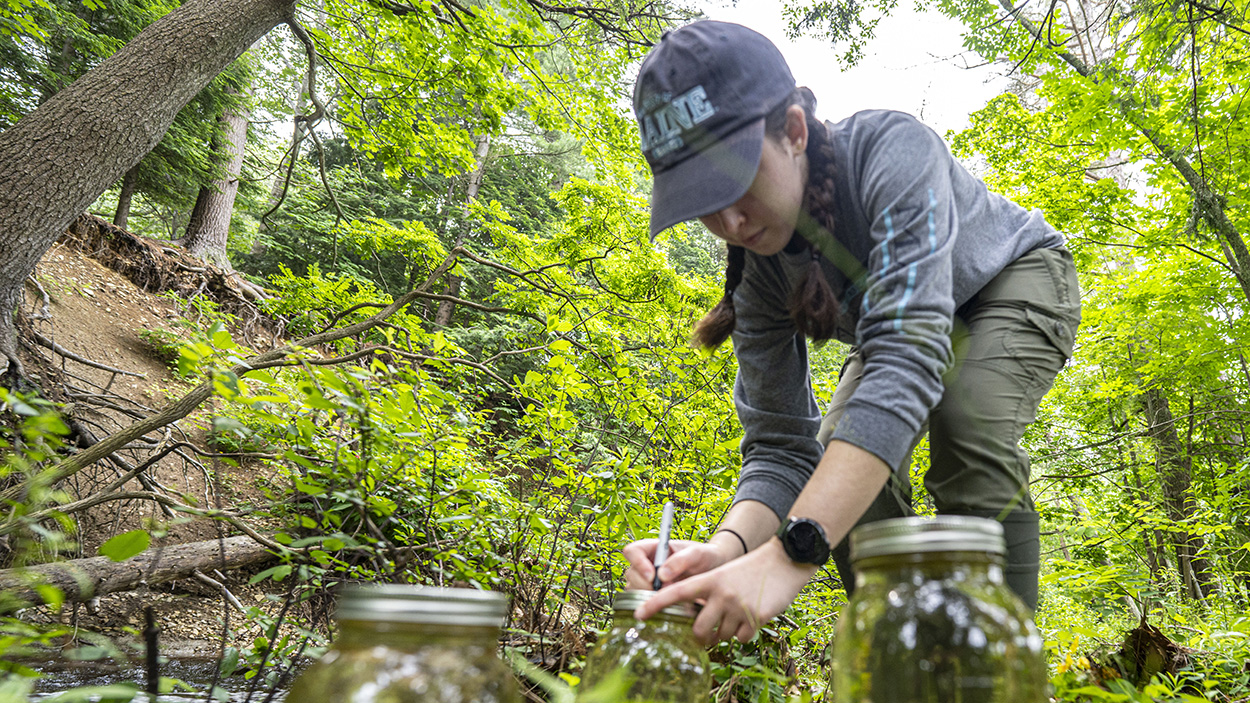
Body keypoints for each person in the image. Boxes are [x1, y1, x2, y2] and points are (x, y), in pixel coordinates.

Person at [622, 20, 1081, 645]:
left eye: (734, 183)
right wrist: (728, 550)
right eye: (701, 200)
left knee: (967, 428)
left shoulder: (891, 149)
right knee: (842, 447)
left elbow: (908, 356)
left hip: (1006, 281)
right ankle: (913, 660)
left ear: (793, 131)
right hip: (903, 331)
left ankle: (1003, 668)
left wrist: (790, 556)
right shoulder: (758, 274)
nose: (727, 219)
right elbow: (781, 447)